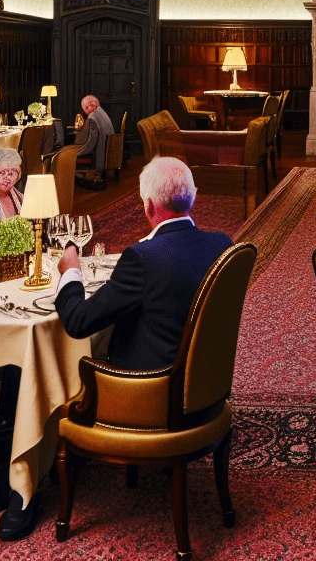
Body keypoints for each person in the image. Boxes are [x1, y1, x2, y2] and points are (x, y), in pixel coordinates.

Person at [37, 157, 231, 540]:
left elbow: (78, 322)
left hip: (152, 399)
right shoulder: (222, 244)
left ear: (147, 207)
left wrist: (71, 270)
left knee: (75, 372)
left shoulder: (142, 258)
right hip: (207, 391)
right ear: (192, 199)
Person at [74, 95, 114, 161]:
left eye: (84, 108)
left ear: (88, 106)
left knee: (65, 156)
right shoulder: (102, 113)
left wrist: (78, 152)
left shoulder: (93, 117)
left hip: (99, 157)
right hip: (107, 155)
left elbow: (91, 144)